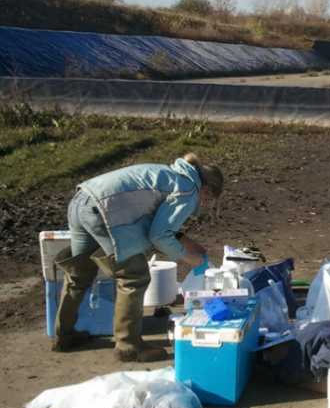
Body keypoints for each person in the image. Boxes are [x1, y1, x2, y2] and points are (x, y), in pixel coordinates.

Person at [52, 152, 222, 362]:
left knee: (79, 273)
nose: (202, 202)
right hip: (103, 211)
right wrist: (189, 258)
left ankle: (64, 334)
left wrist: (184, 240)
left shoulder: (172, 174)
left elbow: (151, 215)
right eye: (207, 199)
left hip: (81, 200)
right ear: (206, 189)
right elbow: (158, 234)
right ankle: (128, 346)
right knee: (134, 277)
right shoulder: (189, 190)